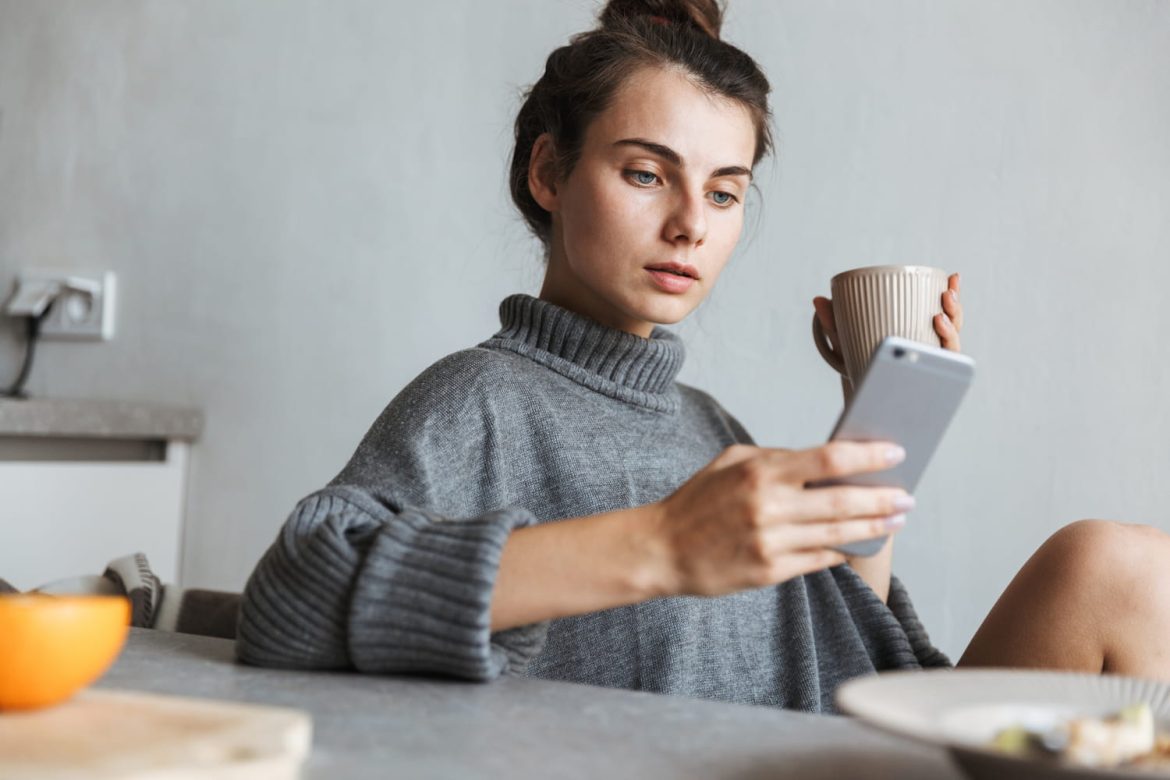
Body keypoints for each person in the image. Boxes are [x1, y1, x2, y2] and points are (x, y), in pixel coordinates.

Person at [237, 0, 1170, 713]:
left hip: (833, 750)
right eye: (646, 174)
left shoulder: (707, 426)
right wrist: (662, 545)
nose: (689, 224)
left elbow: (834, 646)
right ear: (549, 173)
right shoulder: (480, 401)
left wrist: (881, 415)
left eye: (725, 194)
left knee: (1123, 571)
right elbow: (288, 601)